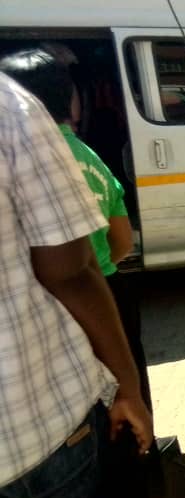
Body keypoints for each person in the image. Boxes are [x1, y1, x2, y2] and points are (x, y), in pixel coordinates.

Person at [0, 70, 154, 498]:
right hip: (39, 416)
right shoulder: (15, 113)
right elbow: (81, 264)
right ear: (72, 104)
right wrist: (126, 385)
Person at [0, 48, 153, 411]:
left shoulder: (18, 158)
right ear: (73, 102)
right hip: (111, 295)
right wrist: (98, 263)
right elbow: (122, 240)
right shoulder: (90, 157)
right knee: (126, 400)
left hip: (55, 307)